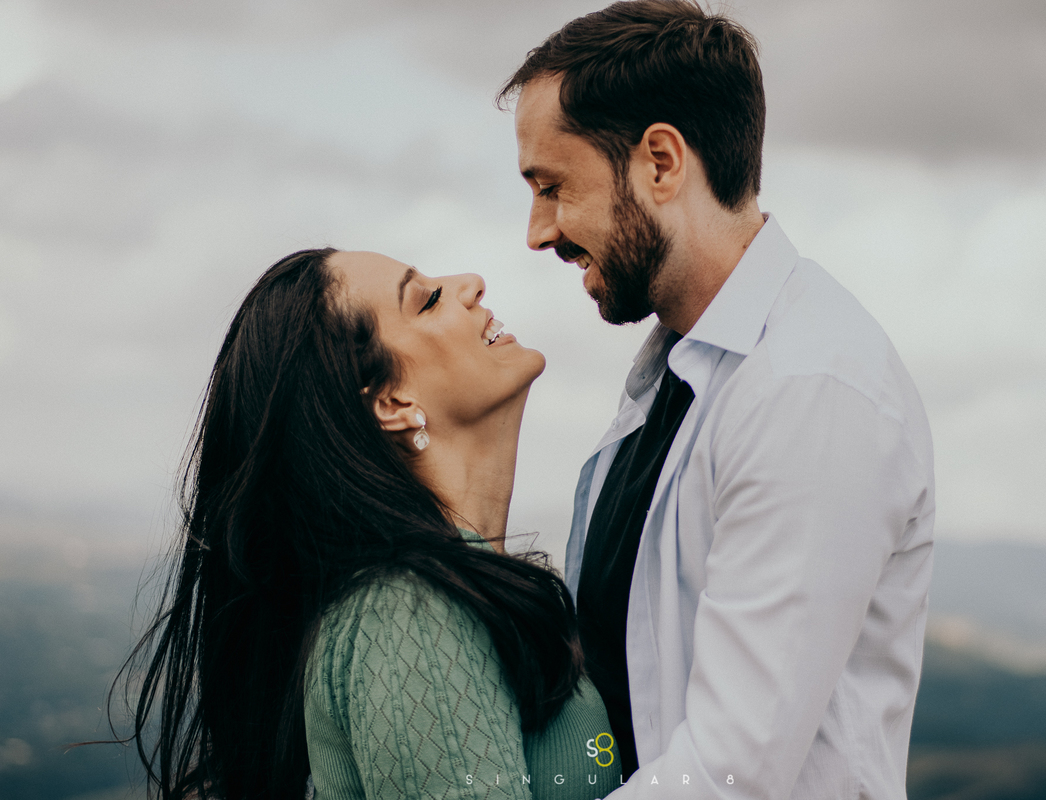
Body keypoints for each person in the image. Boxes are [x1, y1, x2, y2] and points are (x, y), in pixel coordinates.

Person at [498, 1, 936, 797]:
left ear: (660, 162)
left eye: (552, 186)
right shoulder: (677, 380)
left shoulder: (807, 386)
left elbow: (733, 772)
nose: (537, 231)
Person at [112, 248, 621, 800]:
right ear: (392, 402)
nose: (471, 283)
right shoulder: (411, 609)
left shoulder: (446, 592)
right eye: (426, 300)